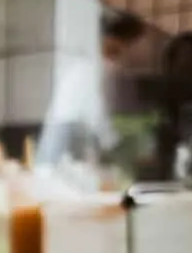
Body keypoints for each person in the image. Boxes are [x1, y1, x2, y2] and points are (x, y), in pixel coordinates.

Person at [37, 11, 147, 165]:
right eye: (128, 45)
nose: (127, 52)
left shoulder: (90, 64)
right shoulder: (93, 68)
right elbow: (96, 111)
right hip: (65, 137)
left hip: (66, 135)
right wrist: (115, 144)